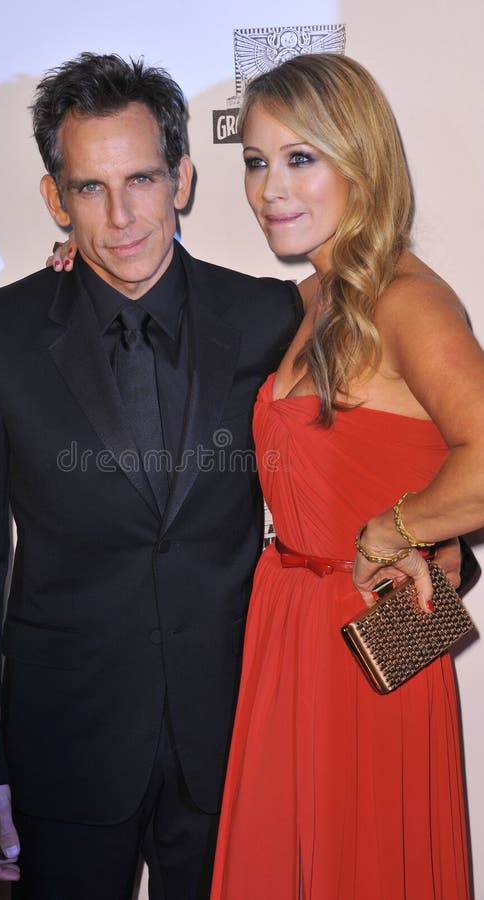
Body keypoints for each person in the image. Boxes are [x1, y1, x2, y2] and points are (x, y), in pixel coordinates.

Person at [0, 52, 305, 899]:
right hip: (63, 752)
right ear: (55, 199)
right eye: (91, 188)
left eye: (141, 178)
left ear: (183, 175)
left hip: (238, 744)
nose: (123, 215)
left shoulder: (270, 317)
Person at [208, 52, 484, 900]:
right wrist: (90, 263)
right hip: (287, 625)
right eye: (255, 161)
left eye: (300, 158)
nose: (268, 189)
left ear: (360, 160)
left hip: (366, 638)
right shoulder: (311, 300)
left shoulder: (407, 298)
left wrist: (394, 529)